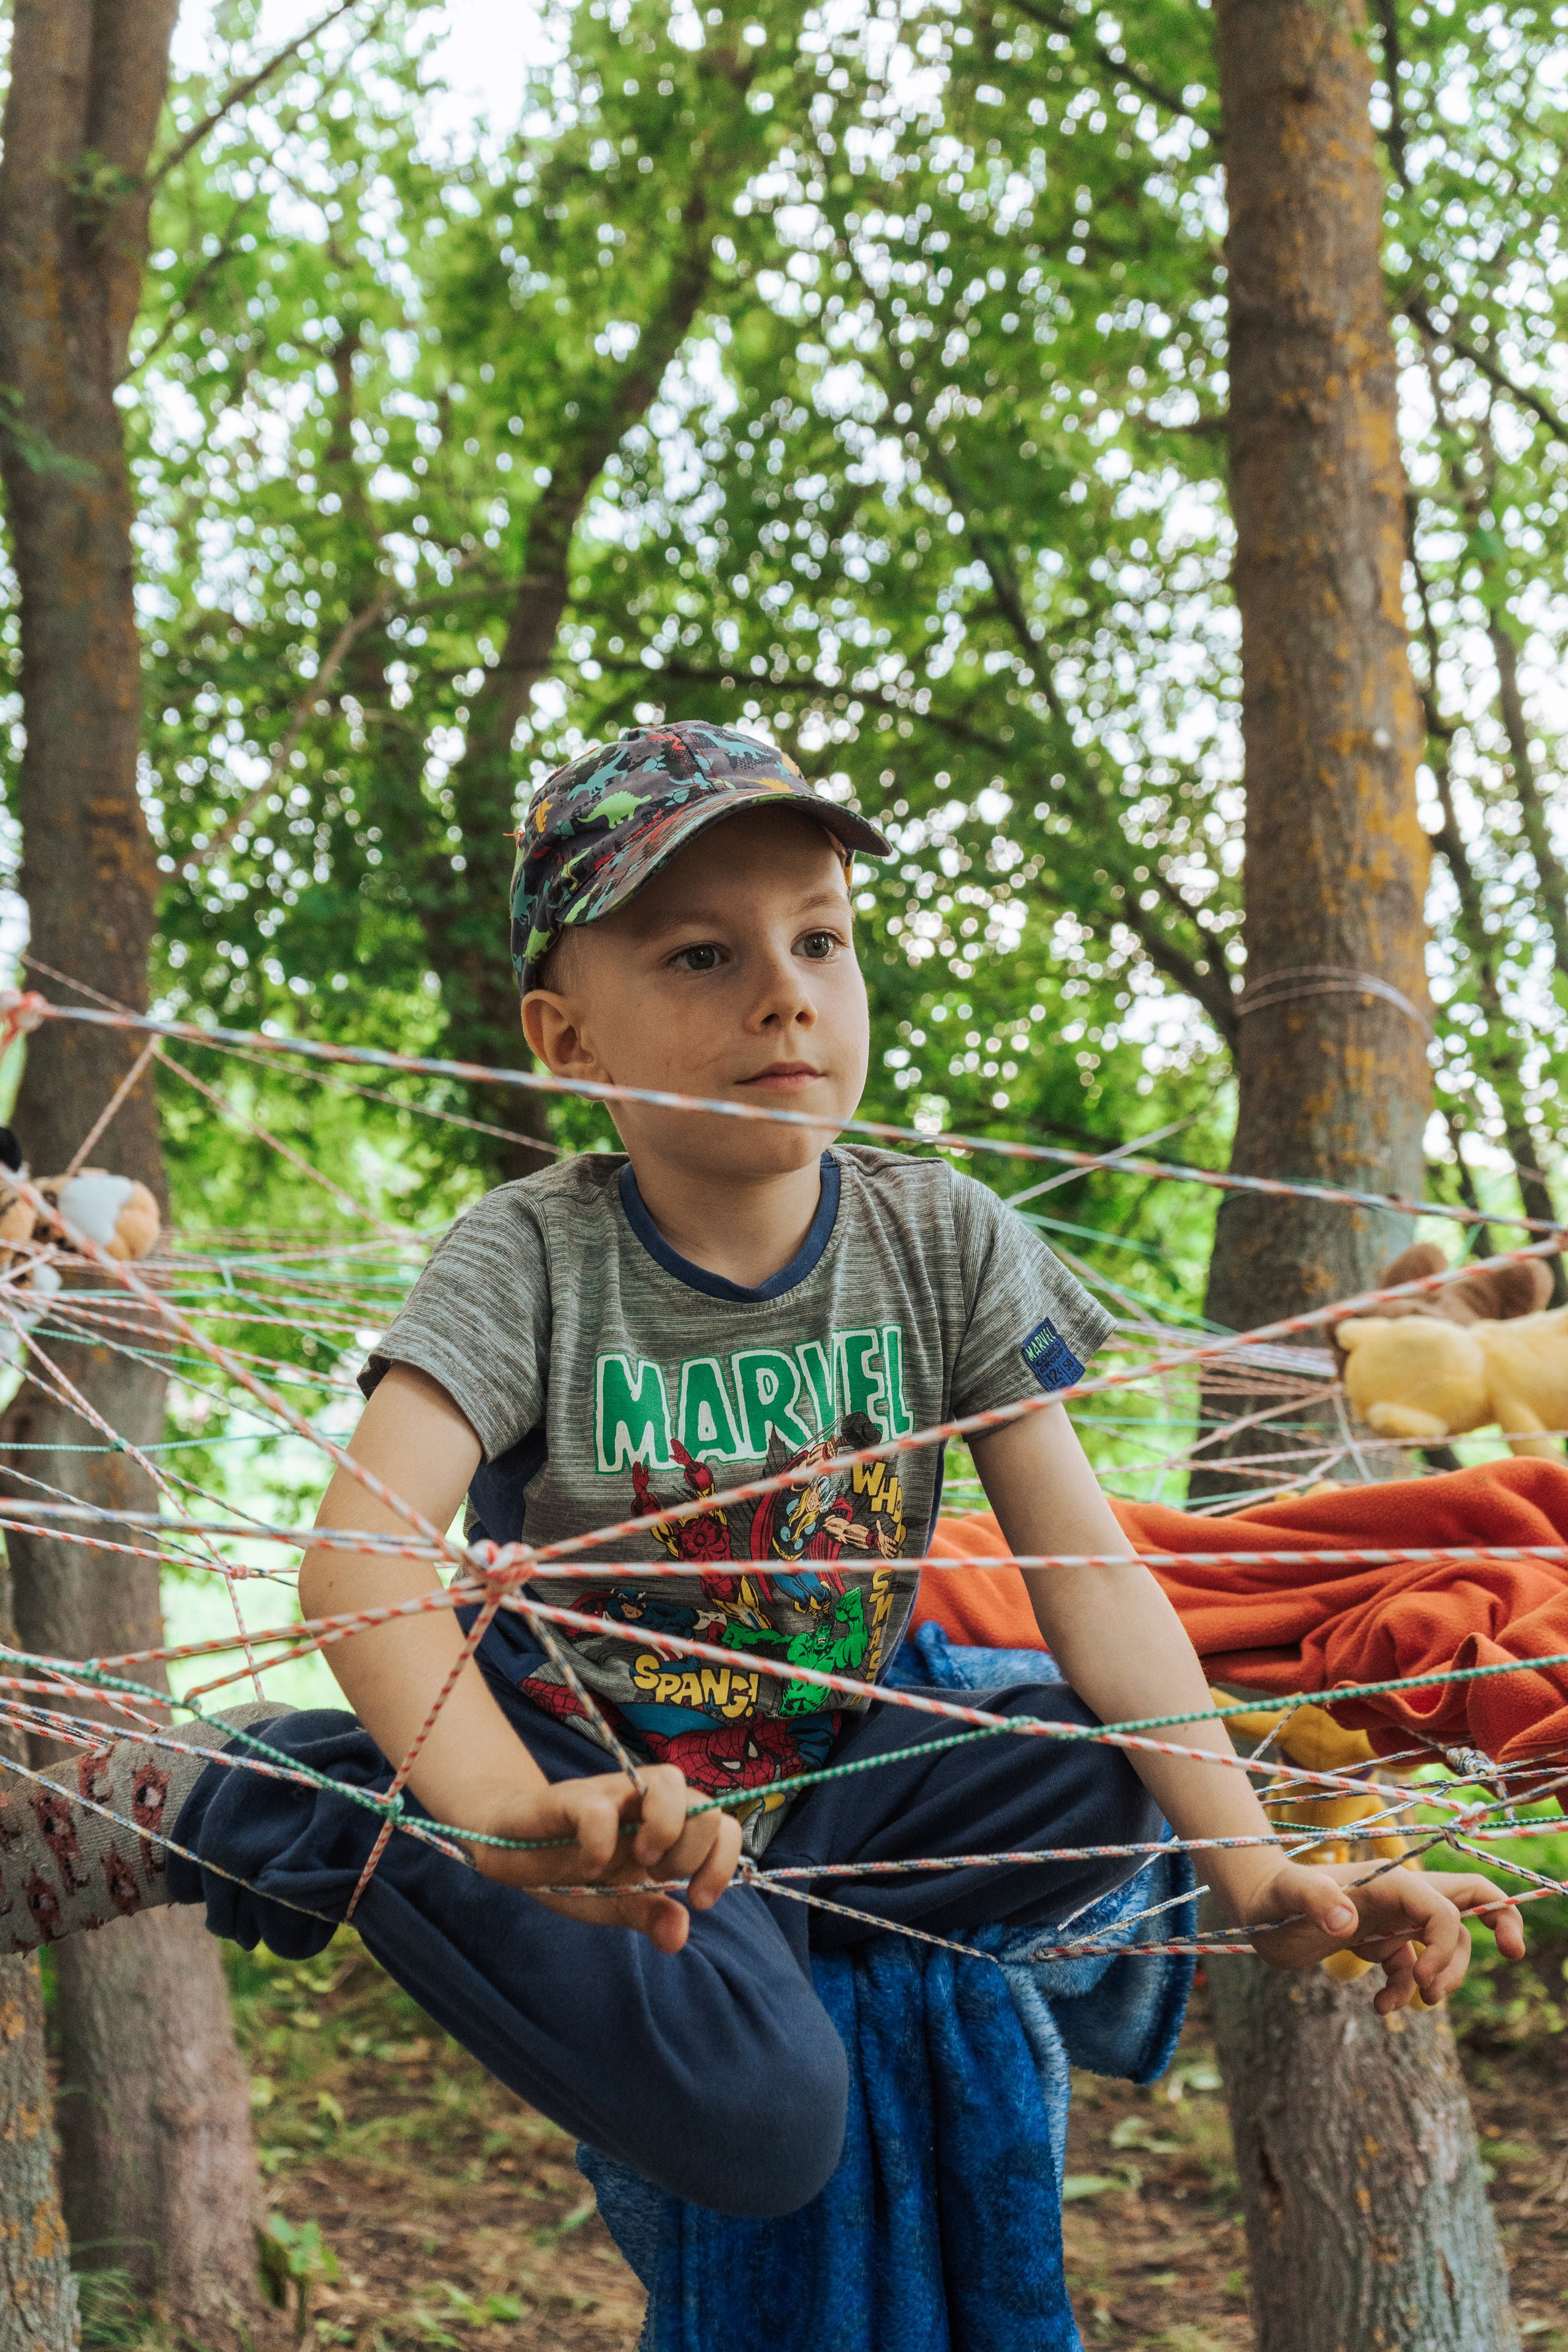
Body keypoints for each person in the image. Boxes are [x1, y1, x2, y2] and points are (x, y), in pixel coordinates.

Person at [0, 722, 1523, 2222]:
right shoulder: (529, 1256)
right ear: (568, 1039)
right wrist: (515, 1826)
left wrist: (1256, 1881)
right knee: (766, 2130)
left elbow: (1092, 1580)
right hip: (578, 1772)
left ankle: (759, 1933)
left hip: (825, 1777)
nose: (785, 995)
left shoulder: (943, 1239)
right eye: (701, 957)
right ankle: (249, 1798)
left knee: (1111, 1781)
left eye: (819, 941)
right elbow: (362, 1568)